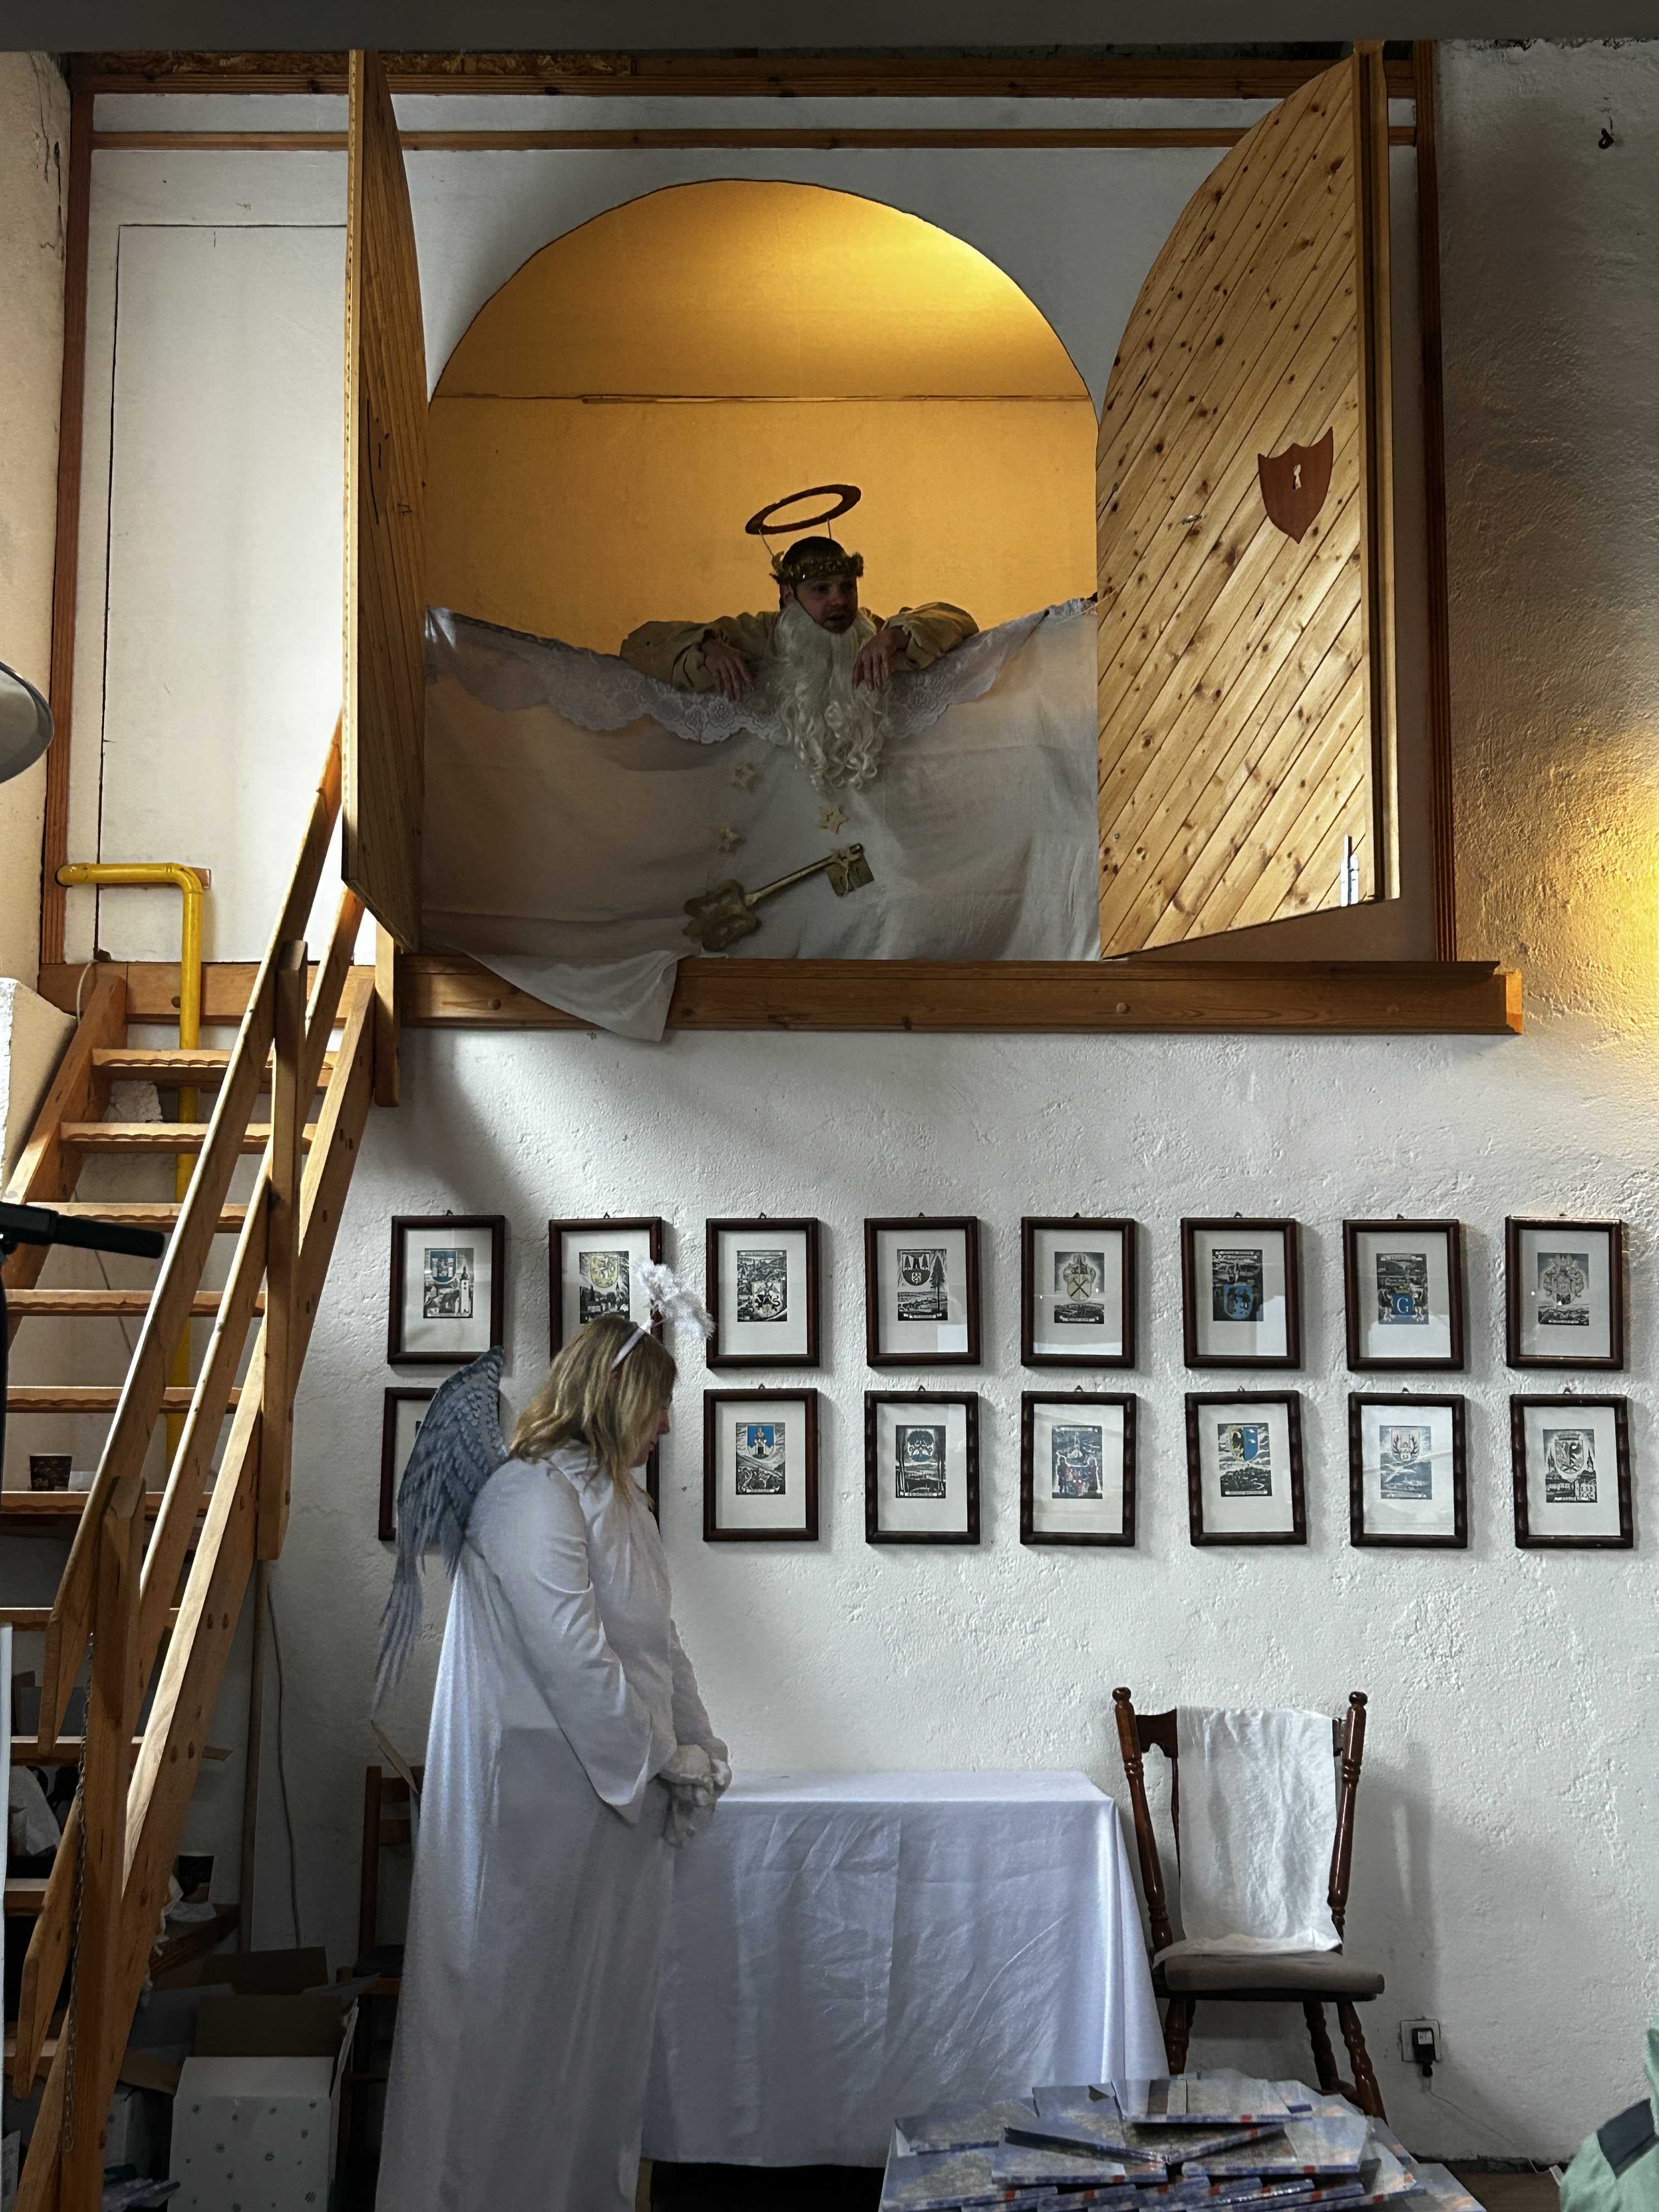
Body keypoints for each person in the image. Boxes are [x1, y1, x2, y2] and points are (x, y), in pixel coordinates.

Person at [375, 1311, 727, 2212]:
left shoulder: (621, 1502)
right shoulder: (529, 1495)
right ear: (615, 1397)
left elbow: (655, 1643)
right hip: (532, 1813)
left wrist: (702, 1740)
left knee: (590, 2041)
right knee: (508, 2035)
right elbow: (575, 1655)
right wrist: (666, 1757)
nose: (667, 1425)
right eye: (657, 1405)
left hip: (604, 1813)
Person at [619, 526, 977, 792]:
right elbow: (640, 643)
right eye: (821, 589)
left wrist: (895, 636)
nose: (839, 601)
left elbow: (957, 620)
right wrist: (708, 647)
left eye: (847, 587)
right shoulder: (759, 634)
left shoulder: (873, 632)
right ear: (789, 596)